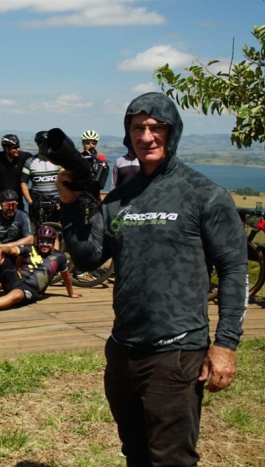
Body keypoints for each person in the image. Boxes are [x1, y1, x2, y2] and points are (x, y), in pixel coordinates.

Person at [58, 92, 248, 466]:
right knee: (136, 453)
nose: (147, 137)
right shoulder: (120, 198)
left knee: (171, 458)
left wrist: (225, 345)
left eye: (156, 127)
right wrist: (68, 205)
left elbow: (234, 270)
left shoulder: (204, 195)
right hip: (123, 350)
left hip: (175, 352)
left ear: (172, 132)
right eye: (137, 129)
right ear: (128, 136)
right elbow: (87, 257)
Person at [0, 225, 80, 315]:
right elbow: (12, 250)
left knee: (16, 295)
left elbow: (66, 276)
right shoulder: (30, 249)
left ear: (53, 242)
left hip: (30, 290)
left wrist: (70, 293)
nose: (45, 244)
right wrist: (1, 249)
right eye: (42, 240)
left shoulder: (59, 257)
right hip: (15, 279)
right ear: (38, 240)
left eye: (49, 241)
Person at [21, 131, 61, 228]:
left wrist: (62, 201)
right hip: (37, 205)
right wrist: (30, 202)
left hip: (56, 205)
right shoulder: (30, 162)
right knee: (38, 233)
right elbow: (23, 183)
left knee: (56, 234)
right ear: (39, 144)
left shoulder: (58, 161)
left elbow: (64, 182)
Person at [0, 134, 31, 208]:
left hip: (17, 203)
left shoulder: (24, 157)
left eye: (18, 147)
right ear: (6, 148)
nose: (18, 150)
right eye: (15, 148)